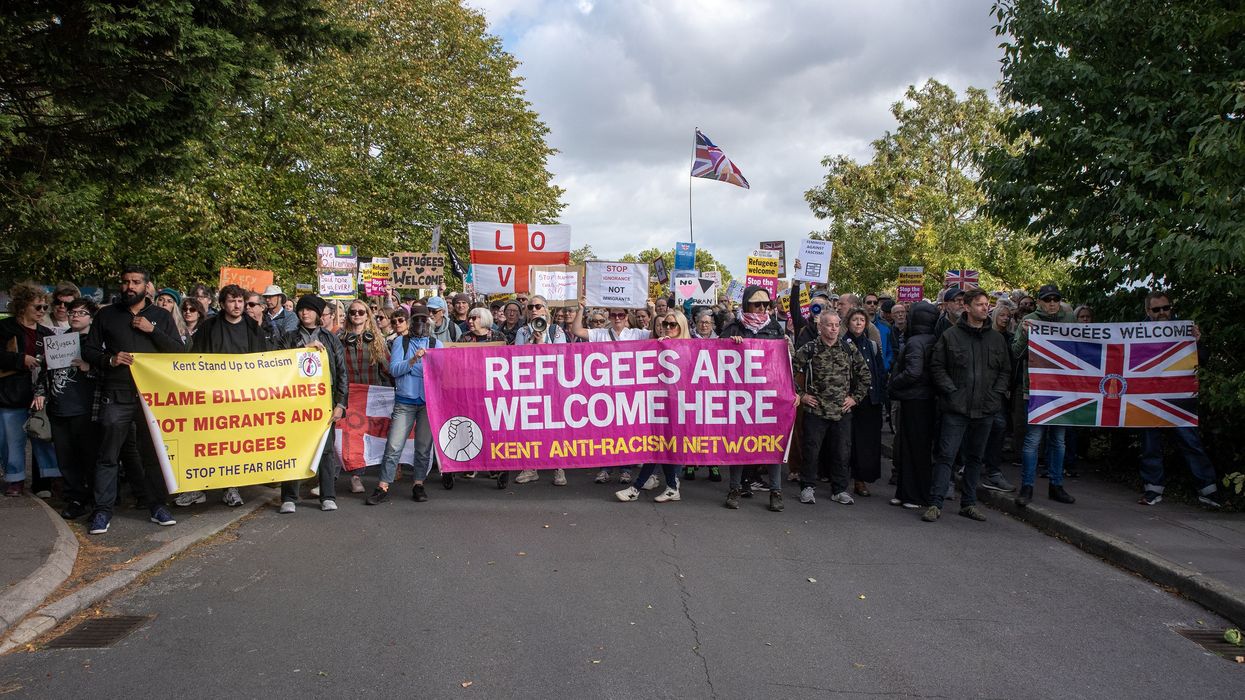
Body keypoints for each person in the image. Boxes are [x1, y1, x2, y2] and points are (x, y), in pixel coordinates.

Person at [81, 266, 185, 533]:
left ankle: (157, 506)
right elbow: (90, 350)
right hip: (117, 393)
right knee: (108, 454)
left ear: (147, 286)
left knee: (152, 453)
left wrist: (152, 331)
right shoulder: (107, 315)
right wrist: (110, 359)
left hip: (153, 396)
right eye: (126, 281)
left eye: (136, 282)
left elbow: (178, 351)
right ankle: (103, 511)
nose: (130, 286)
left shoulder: (160, 316)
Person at [174, 284, 273, 508]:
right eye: (232, 301)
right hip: (213, 395)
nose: (237, 306)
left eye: (241, 301)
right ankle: (198, 488)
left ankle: (231, 488)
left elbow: (263, 361)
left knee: (234, 445)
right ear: (222, 304)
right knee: (208, 443)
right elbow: (196, 360)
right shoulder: (209, 327)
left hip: (242, 396)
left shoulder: (253, 328)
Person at [922, 289, 1009, 523]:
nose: (985, 308)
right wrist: (951, 391)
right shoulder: (951, 336)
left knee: (975, 458)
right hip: (956, 409)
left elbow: (1004, 371)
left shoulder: (996, 338)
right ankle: (935, 503)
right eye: (980, 304)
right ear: (967, 307)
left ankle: (969, 503)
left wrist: (995, 395)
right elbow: (937, 366)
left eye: (986, 304)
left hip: (985, 408)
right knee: (946, 456)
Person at [1136, 291, 1221, 508]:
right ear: (1148, 311)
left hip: (1178, 399)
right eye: (1157, 309)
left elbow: (1202, 360)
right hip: (1148, 399)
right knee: (1150, 446)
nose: (1163, 312)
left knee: (1190, 442)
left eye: (1166, 308)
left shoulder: (1184, 330)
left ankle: (1208, 491)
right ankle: (1153, 489)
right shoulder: (1135, 332)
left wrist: (1196, 342)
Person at [716, 286, 791, 511]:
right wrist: (729, 345)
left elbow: (786, 363)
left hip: (769, 397)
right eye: (756, 304)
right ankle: (735, 488)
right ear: (747, 304)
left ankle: (775, 491)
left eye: (765, 305)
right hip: (740, 398)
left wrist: (792, 391)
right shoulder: (733, 327)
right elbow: (712, 357)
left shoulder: (775, 328)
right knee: (738, 443)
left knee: (773, 444)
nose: (761, 309)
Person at [277, 294, 348, 513]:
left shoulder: (330, 338)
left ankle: (327, 495)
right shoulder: (288, 337)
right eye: (301, 310)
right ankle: (289, 496)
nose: (304, 313)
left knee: (326, 451)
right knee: (293, 447)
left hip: (324, 403)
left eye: (309, 310)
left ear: (318, 313)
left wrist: (340, 403)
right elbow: (278, 365)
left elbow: (342, 372)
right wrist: (304, 349)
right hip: (295, 404)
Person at [792, 309, 869, 507]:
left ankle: (840, 489)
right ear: (820, 327)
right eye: (829, 324)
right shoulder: (809, 349)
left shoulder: (848, 349)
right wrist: (802, 395)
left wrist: (855, 398)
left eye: (836, 325)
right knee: (811, 451)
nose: (834, 329)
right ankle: (807, 487)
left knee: (842, 452)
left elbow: (865, 375)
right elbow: (789, 372)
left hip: (842, 411)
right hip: (816, 410)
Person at [570, 303, 651, 485]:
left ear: (626, 315)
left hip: (629, 390)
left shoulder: (636, 334)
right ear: (609, 316)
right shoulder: (600, 333)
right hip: (605, 390)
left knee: (627, 431)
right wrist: (581, 308)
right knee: (606, 431)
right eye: (613, 315)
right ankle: (605, 468)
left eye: (620, 315)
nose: (617, 318)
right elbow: (577, 330)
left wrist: (652, 310)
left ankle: (625, 469)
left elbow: (656, 334)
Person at [1011, 284, 1077, 507]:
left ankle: (1056, 485)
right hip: (1036, 389)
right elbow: (1016, 353)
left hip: (1062, 390)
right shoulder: (1029, 320)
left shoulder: (1069, 321)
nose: (1051, 303)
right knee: (1033, 439)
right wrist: (1027, 336)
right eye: (1047, 299)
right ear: (1039, 302)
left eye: (1055, 299)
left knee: (1058, 440)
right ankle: (1027, 486)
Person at [35, 298, 99, 517]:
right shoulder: (57, 340)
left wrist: (88, 367)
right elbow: (45, 371)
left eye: (81, 313)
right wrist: (41, 393)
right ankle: (75, 498)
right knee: (66, 458)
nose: (75, 316)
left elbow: (109, 374)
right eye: (72, 312)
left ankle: (94, 498)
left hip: (85, 408)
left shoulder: (96, 342)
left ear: (91, 317)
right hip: (59, 407)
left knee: (89, 457)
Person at [615, 310, 689, 504]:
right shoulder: (657, 345)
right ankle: (670, 487)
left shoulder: (689, 348)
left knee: (660, 446)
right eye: (666, 325)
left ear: (682, 327)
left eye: (673, 325)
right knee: (659, 445)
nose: (668, 328)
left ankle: (637, 488)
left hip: (677, 405)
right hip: (658, 402)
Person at [368, 302, 436, 505]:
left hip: (427, 403)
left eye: (424, 320)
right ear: (410, 321)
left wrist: (411, 369)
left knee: (423, 447)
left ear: (428, 321)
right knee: (394, 445)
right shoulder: (401, 343)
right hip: (405, 401)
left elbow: (439, 374)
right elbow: (395, 370)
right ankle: (382, 486)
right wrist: (414, 362)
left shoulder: (435, 344)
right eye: (416, 320)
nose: (420, 324)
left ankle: (418, 483)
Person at [1, 283, 59, 497]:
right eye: (38, 307)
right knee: (11, 439)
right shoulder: (6, 328)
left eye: (45, 308)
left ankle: (50, 478)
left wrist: (43, 391)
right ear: (23, 305)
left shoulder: (47, 333)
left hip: (39, 392)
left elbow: (54, 364)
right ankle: (14, 479)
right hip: (11, 392)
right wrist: (20, 360)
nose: (42, 311)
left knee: (43, 436)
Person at [512, 295, 570, 486]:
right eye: (531, 307)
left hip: (553, 384)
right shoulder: (522, 331)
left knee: (555, 426)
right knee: (531, 424)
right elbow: (517, 356)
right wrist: (532, 342)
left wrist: (543, 344)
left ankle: (558, 467)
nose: (534, 309)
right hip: (530, 384)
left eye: (538, 306)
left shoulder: (555, 330)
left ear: (545, 309)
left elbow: (562, 354)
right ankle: (531, 467)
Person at [888, 301, 938, 509]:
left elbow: (913, 372)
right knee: (914, 448)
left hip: (915, 400)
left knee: (911, 448)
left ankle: (912, 495)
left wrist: (893, 383)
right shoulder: (931, 339)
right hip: (922, 399)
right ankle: (907, 492)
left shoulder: (916, 342)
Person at [843, 308, 885, 498]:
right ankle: (842, 479)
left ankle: (860, 480)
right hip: (849, 400)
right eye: (855, 320)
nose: (858, 323)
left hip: (870, 400)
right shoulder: (842, 344)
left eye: (862, 320)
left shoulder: (872, 345)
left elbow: (879, 372)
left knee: (866, 442)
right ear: (848, 323)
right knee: (847, 442)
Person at [979, 302, 1018, 494]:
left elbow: (1007, 366)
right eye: (1001, 315)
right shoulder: (984, 335)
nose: (1006, 319)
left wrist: (1002, 388)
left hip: (997, 392)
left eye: (1008, 316)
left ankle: (992, 470)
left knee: (999, 426)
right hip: (977, 390)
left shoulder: (1008, 339)